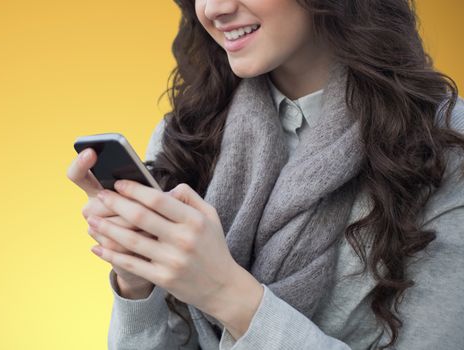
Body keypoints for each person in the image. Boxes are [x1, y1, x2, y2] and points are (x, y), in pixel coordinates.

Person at [66, 0, 464, 349]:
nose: (213, 8)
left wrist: (224, 291)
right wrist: (138, 282)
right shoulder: (185, 136)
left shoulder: (446, 144)